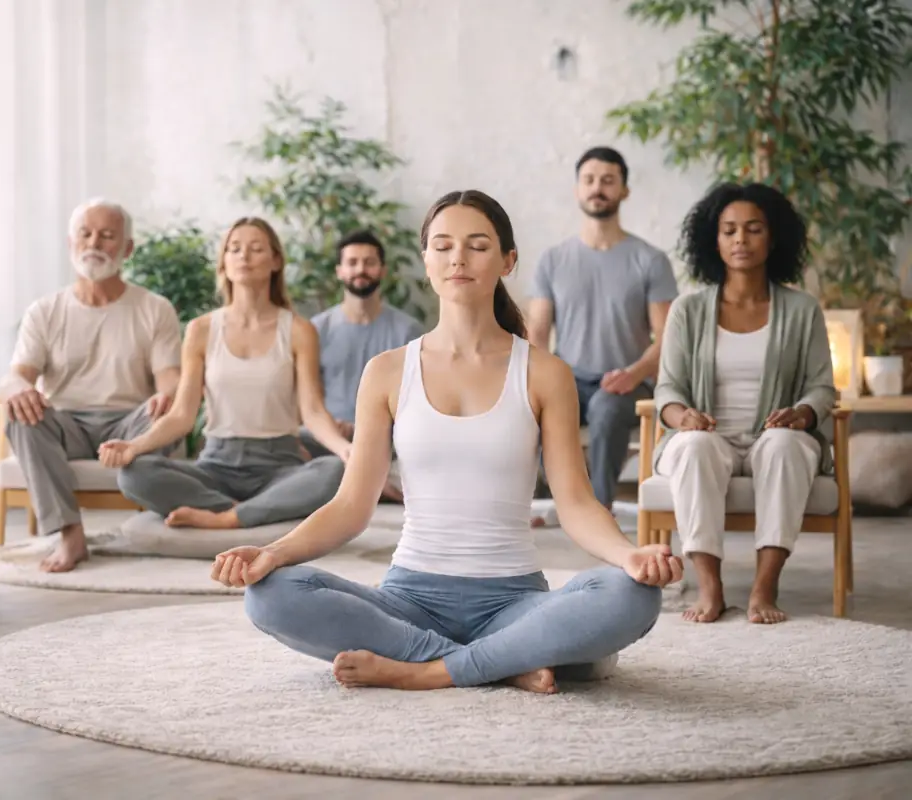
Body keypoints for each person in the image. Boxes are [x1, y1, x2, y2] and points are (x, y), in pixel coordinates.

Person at [210, 190, 681, 694]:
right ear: (426, 259)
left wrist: (629, 556)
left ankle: (429, 670)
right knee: (269, 594)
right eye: (443, 245)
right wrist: (273, 552)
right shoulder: (388, 372)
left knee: (628, 595)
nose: (458, 257)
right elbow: (350, 506)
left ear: (507, 261)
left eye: (477, 245)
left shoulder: (545, 373)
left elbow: (577, 504)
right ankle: (501, 663)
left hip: (514, 602)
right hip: (408, 602)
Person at [653, 182, 835, 625]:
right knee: (694, 448)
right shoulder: (688, 310)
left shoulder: (802, 309)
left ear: (773, 237)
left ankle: (764, 586)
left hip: (776, 439)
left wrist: (802, 414)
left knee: (786, 445)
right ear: (713, 240)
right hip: (706, 438)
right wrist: (684, 418)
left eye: (753, 229)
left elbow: (822, 388)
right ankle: (709, 588)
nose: (740, 240)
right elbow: (667, 389)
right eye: (729, 230)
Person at [101, 217, 350, 530]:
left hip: (279, 467)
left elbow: (312, 411)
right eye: (234, 249)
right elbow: (181, 416)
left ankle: (227, 517)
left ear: (275, 261)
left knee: (333, 471)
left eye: (256, 248)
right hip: (216, 467)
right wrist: (133, 447)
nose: (244, 256)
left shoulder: (300, 331)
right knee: (135, 474)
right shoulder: (201, 330)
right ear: (224, 263)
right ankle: (244, 511)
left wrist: (345, 450)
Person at [0, 198, 183, 573]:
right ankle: (69, 533)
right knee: (21, 415)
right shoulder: (45, 311)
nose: (94, 243)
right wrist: (17, 386)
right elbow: (16, 376)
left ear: (127, 248)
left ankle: (155, 525)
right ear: (72, 243)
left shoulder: (154, 308)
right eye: (85, 233)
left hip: (128, 425)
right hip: (68, 425)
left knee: (167, 417)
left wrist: (168, 396)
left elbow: (171, 382)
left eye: (108, 235)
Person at [527, 147, 679, 513]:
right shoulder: (553, 260)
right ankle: (525, 505)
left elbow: (669, 336)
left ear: (624, 190)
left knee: (607, 409)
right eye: (590, 180)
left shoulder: (650, 260)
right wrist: (547, 379)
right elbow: (537, 333)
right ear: (578, 189)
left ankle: (598, 510)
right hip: (570, 378)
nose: (598, 188)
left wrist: (635, 373)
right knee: (522, 406)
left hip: (629, 380)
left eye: (608, 181)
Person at [305, 230, 425, 501]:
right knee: (293, 441)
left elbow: (417, 401)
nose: (361, 269)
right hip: (331, 441)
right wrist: (331, 426)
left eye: (369, 262)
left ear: (382, 271)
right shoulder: (315, 330)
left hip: (388, 440)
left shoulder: (408, 331)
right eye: (352, 262)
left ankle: (360, 481)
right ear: (339, 270)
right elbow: (305, 398)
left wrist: (372, 427)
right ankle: (374, 483)